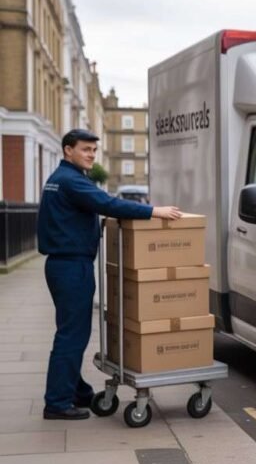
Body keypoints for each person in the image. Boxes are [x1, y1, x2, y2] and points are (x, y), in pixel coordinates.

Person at [37, 129, 182, 420]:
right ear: (68, 150)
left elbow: (91, 209)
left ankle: (75, 391)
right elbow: (109, 204)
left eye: (93, 150)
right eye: (85, 149)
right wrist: (156, 211)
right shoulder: (71, 181)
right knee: (72, 335)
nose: (91, 154)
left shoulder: (61, 179)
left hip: (63, 264)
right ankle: (57, 402)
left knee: (70, 332)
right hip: (72, 267)